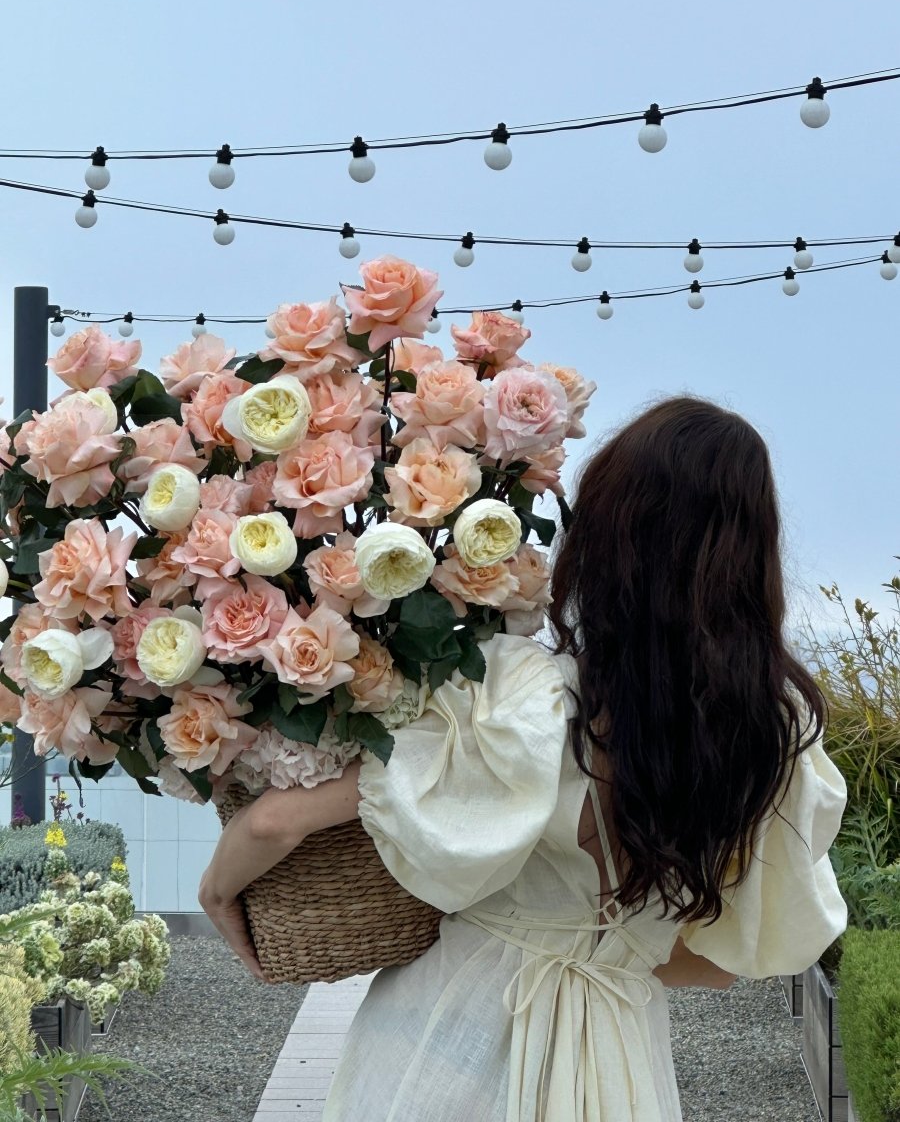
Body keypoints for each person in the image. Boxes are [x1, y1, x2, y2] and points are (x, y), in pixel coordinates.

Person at [200, 395, 847, 1122]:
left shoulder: (524, 702)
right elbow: (720, 964)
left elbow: (276, 823)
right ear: (751, 555)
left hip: (449, 1042)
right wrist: (611, 949)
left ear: (607, 535)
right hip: (620, 1065)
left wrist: (219, 894)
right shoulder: (771, 742)